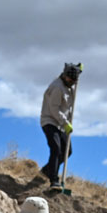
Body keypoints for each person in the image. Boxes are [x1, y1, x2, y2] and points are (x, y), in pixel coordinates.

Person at [40, 63, 81, 191]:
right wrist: (65, 122)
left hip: (61, 124)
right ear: (64, 75)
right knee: (56, 149)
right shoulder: (57, 88)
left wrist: (79, 69)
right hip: (50, 121)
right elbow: (54, 109)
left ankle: (47, 170)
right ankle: (54, 181)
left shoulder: (69, 86)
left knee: (67, 151)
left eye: (74, 80)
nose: (72, 82)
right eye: (70, 80)